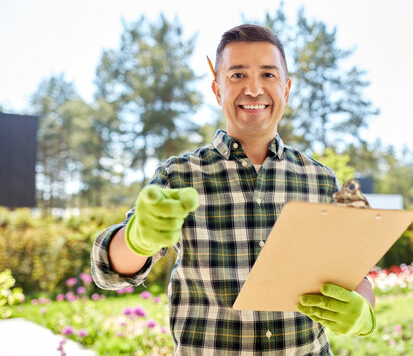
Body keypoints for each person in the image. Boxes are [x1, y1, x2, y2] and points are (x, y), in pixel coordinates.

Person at [91, 24, 375, 355]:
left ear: (287, 88)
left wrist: (362, 314)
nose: (254, 90)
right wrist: (138, 238)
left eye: (268, 75)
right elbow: (109, 271)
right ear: (216, 89)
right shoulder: (179, 176)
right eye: (237, 75)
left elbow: (356, 278)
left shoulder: (320, 180)